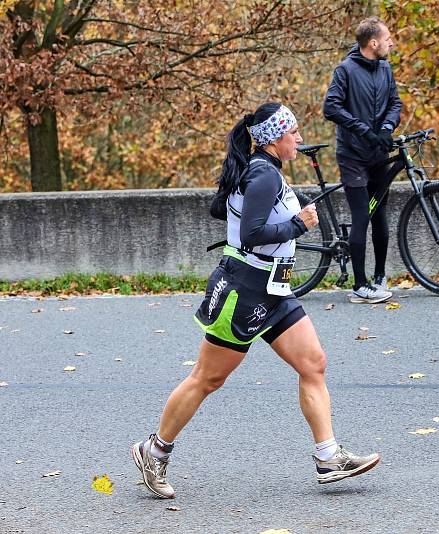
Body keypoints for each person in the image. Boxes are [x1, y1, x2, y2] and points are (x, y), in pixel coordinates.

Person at [131, 102, 380, 499]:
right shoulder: (262, 174)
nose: (299, 138)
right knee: (207, 378)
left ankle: (328, 456)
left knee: (313, 363)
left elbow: (222, 209)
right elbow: (251, 234)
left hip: (274, 288)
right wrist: (301, 223)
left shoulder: (257, 170)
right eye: (293, 132)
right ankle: (154, 450)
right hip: (245, 290)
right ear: (275, 138)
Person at [323, 16, 402, 304]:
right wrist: (365, 131)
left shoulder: (385, 68)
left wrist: (385, 129)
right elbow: (330, 107)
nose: (391, 42)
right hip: (353, 155)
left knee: (380, 214)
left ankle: (379, 277)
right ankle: (359, 285)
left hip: (377, 152)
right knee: (361, 216)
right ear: (373, 43)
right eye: (387, 37)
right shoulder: (345, 71)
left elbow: (395, 103)